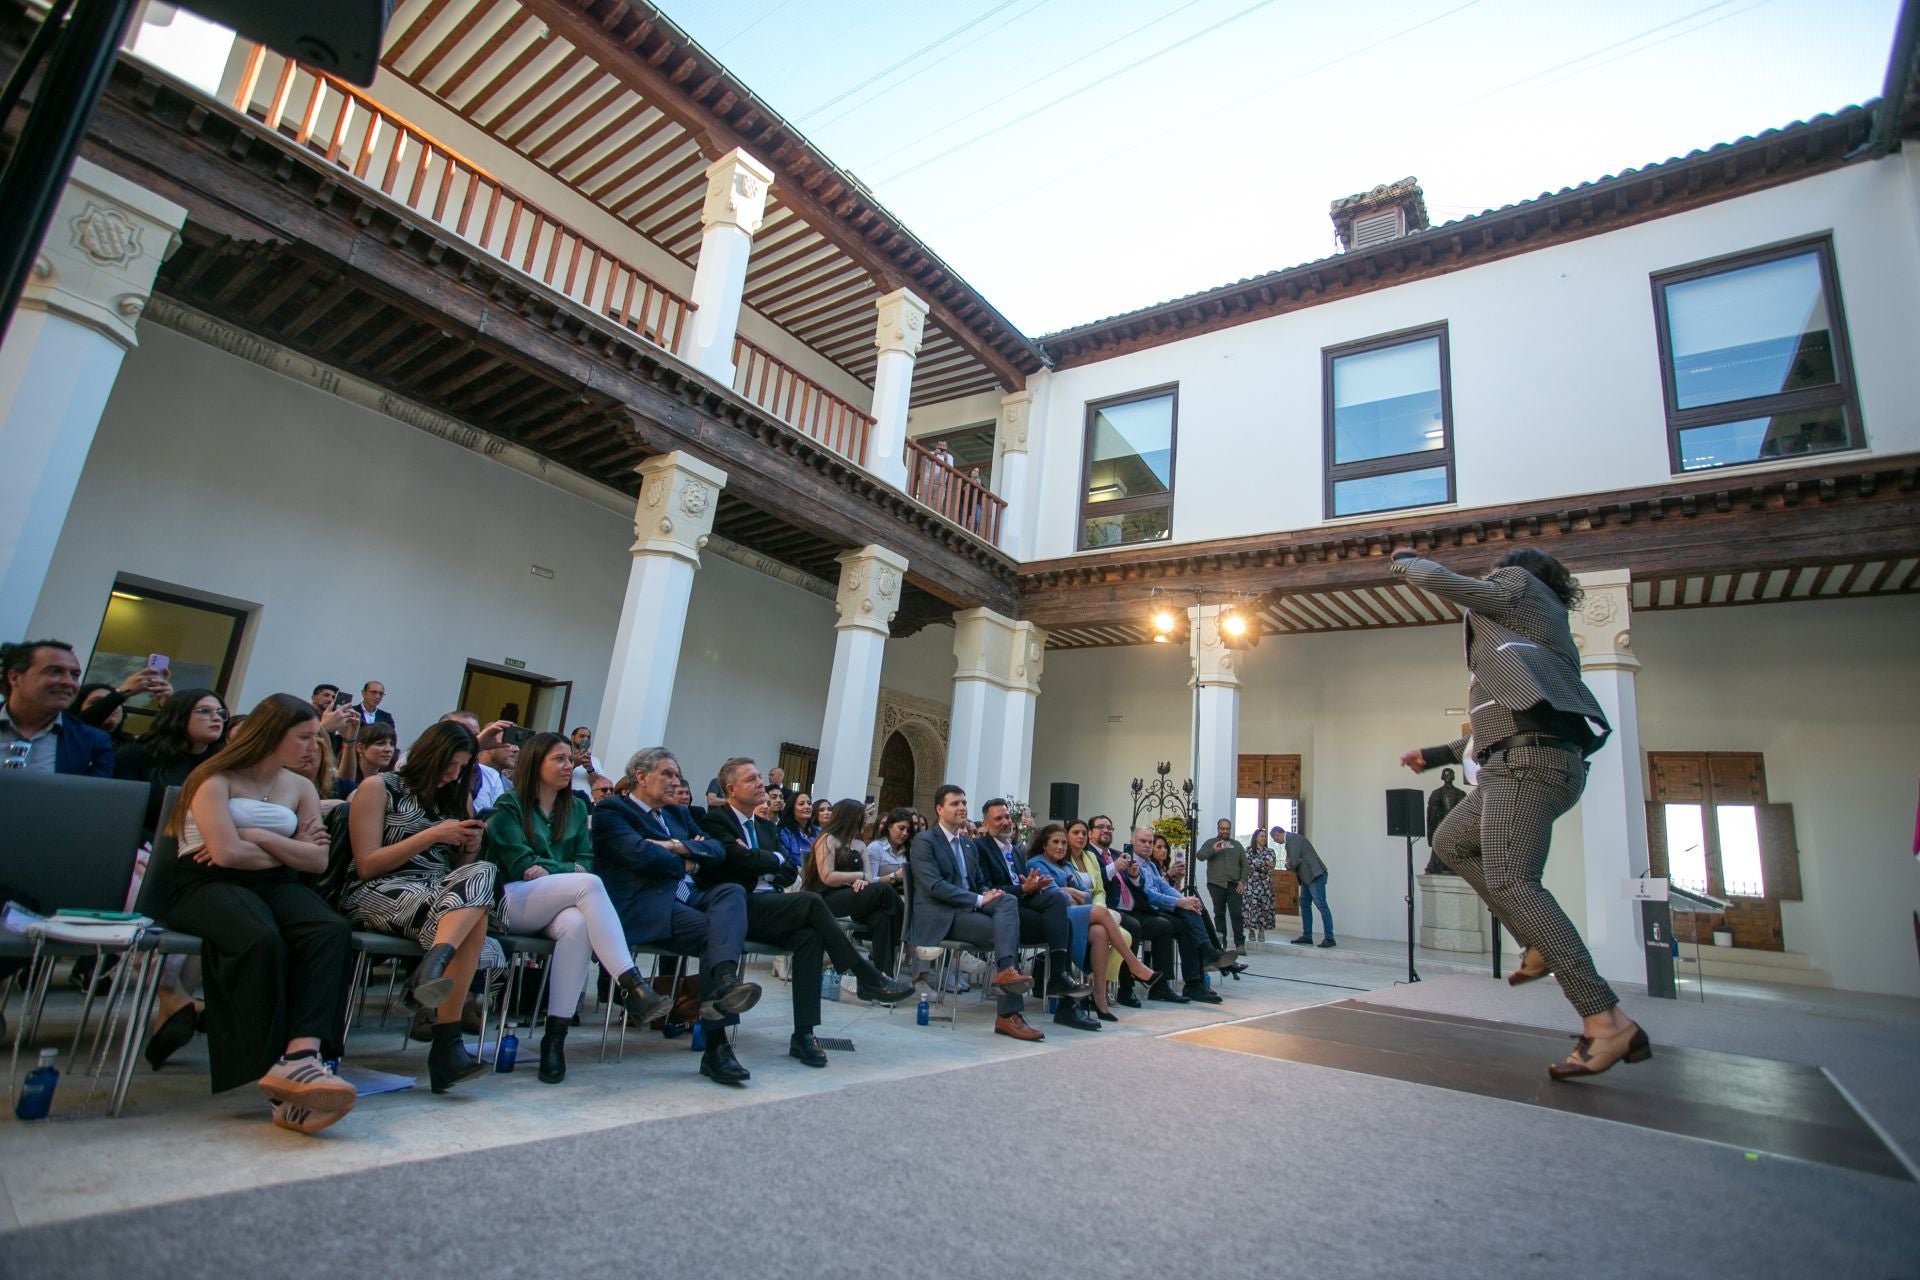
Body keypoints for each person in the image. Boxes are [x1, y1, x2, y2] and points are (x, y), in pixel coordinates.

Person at [1392, 544, 1647, 1080]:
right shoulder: (1532, 632)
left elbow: (1453, 585)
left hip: (1527, 764)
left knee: (1514, 880)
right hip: (1530, 758)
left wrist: (1408, 559)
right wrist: (1437, 755)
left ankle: (1606, 1021)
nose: (1494, 579)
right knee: (1451, 841)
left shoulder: (1519, 587)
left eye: (1498, 573)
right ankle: (1535, 940)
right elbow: (1510, 712)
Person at [148, 693, 356, 1134]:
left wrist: (258, 837)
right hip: (203, 882)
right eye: (303, 737)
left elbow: (317, 863)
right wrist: (287, 850)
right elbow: (222, 853)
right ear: (272, 734)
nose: (312, 748)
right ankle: (273, 1069)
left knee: (330, 929)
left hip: (271, 881)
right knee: (261, 937)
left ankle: (302, 1054)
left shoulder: (299, 786)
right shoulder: (214, 777)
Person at [481, 733, 672, 1084]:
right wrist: (567, 871)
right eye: (559, 759)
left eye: (570, 760)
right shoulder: (509, 806)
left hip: (560, 904)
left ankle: (554, 1040)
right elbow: (520, 863)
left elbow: (586, 860)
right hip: (512, 902)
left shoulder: (577, 808)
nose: (569, 766)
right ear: (534, 763)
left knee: (577, 925)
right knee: (588, 885)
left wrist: (552, 868)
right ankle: (631, 983)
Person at [701, 763, 913, 1067]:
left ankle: (804, 1034)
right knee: (812, 902)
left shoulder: (763, 828)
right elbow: (736, 861)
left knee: (810, 936)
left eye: (761, 777)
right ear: (730, 789)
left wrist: (764, 861)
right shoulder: (715, 821)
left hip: (770, 906)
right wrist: (769, 860)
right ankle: (865, 975)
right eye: (752, 779)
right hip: (735, 907)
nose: (762, 783)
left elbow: (787, 870)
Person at [340, 720, 495, 1093]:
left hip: (438, 895)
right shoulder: (380, 787)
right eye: (449, 766)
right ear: (430, 755)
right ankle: (447, 1048)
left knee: (483, 870)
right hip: (380, 889)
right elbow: (367, 864)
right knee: (472, 919)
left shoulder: (453, 798)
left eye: (461, 768)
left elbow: (459, 875)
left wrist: (467, 848)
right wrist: (432, 835)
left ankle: (432, 968)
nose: (453, 775)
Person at [591, 747, 762, 1087]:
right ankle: (717, 1046)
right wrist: (686, 857)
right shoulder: (613, 810)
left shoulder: (677, 816)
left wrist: (674, 846)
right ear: (641, 777)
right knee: (720, 934)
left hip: (683, 903)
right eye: (667, 774)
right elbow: (639, 856)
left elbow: (715, 852)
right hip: (643, 907)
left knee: (730, 894)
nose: (676, 782)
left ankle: (724, 984)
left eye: (677, 775)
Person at [906, 785, 1043, 1041]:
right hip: (942, 916)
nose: (962, 808)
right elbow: (934, 887)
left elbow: (979, 883)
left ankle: (1006, 976)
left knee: (1008, 902)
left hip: (969, 909)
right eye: (955, 803)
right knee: (1005, 933)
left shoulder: (968, 847)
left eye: (964, 803)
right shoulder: (924, 842)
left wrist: (989, 894)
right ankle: (1008, 1014)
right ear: (939, 809)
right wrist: (979, 899)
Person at [973, 799, 1095, 1021]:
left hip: (1024, 901)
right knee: (1063, 924)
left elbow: (1025, 884)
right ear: (986, 823)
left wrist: (1033, 885)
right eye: (998, 819)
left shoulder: (1017, 850)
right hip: (1002, 909)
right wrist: (1022, 888)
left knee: (1058, 901)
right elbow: (985, 888)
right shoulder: (980, 848)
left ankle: (1059, 978)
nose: (1005, 822)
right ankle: (1062, 989)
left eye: (1007, 817)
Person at [1030, 822, 1155, 1024]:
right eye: (1056, 842)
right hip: (1057, 917)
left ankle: (1099, 998)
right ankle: (1134, 964)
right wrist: (1070, 892)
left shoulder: (1066, 865)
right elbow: (1055, 896)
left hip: (1077, 912)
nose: (1061, 847)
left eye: (1063, 843)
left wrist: (1071, 892)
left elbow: (1086, 896)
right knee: (1101, 912)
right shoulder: (1036, 863)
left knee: (1099, 933)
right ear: (1044, 845)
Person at [1117, 824, 1237, 1003]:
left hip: (1154, 910)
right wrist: (1180, 902)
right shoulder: (1131, 863)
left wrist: (1185, 899)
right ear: (1132, 842)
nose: (1148, 845)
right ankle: (1202, 962)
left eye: (1150, 842)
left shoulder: (1149, 864)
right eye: (1143, 841)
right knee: (1182, 918)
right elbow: (1149, 895)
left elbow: (1163, 887)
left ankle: (1194, 981)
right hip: (1139, 911)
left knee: (1189, 916)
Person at [802, 798, 904, 978]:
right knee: (886, 891)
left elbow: (870, 878)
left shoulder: (860, 845)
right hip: (827, 898)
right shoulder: (827, 839)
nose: (864, 822)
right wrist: (859, 877)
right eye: (860, 818)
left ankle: (882, 977)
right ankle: (911, 934)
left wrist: (864, 881)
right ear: (848, 818)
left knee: (883, 918)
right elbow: (828, 877)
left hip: (854, 896)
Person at [113, 688, 227, 837]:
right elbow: (122, 814)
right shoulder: (136, 755)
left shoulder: (223, 765)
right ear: (178, 716)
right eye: (205, 711)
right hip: (143, 847)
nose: (216, 718)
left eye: (221, 713)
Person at [0, 640, 114, 775]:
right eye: (55, 672)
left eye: (74, 675)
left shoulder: (92, 743)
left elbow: (92, 795)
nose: (68, 682)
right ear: (15, 677)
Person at [1197, 817, 1248, 952]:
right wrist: (1213, 849)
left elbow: (1245, 866)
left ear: (1230, 830)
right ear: (1218, 829)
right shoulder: (1210, 843)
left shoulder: (1237, 845)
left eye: (1227, 829)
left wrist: (1242, 881)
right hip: (1216, 883)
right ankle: (1221, 945)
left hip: (1234, 885)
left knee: (1236, 914)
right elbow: (1200, 856)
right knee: (1219, 914)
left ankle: (1240, 944)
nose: (1225, 831)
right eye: (1222, 828)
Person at [1279, 823, 1334, 948]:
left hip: (1315, 875)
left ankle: (1330, 938)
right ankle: (1307, 936)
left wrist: (1289, 865)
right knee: (1304, 904)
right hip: (1307, 878)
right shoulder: (1294, 838)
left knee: (1321, 904)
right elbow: (1297, 860)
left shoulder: (1292, 839)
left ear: (1278, 834)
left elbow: (1293, 861)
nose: (1276, 842)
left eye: (1274, 839)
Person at [333, 722, 397, 800]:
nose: (389, 749)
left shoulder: (391, 779)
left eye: (392, 744)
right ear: (360, 748)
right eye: (380, 744)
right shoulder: (340, 775)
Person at [863, 807, 912, 891]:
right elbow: (869, 881)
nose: (905, 833)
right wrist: (895, 876)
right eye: (901, 828)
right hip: (880, 895)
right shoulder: (876, 847)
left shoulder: (909, 849)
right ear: (889, 826)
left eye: (908, 830)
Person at [1245, 828, 1277, 942]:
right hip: (1252, 882)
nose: (1263, 838)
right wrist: (1264, 863)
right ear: (1256, 838)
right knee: (1251, 907)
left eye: (1264, 836)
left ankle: (1262, 931)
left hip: (1266, 883)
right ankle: (1251, 930)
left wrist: (1259, 863)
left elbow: (1272, 864)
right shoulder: (1249, 850)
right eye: (1261, 836)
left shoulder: (1270, 851)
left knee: (1264, 906)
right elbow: (1249, 865)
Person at [776, 791, 817, 868]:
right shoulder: (785, 833)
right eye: (801, 804)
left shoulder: (818, 831)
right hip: (797, 875)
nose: (807, 806)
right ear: (792, 808)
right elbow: (785, 861)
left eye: (809, 803)